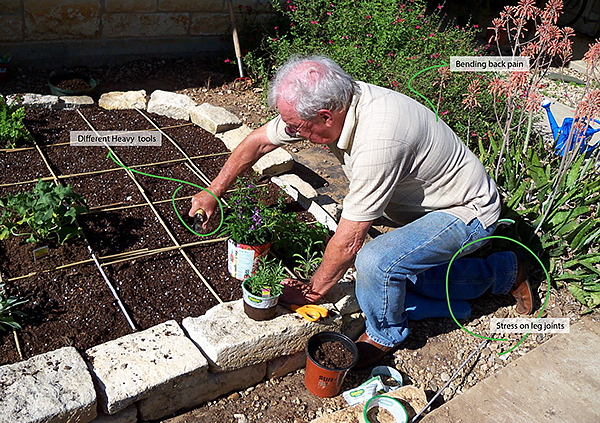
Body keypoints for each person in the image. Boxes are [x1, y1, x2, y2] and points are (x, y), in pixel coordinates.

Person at [189, 55, 533, 369]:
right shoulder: (337, 101)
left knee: (375, 262)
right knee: (390, 269)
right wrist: (213, 190)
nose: (293, 133)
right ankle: (505, 270)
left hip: (465, 212)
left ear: (325, 116)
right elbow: (259, 141)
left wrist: (310, 292)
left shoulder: (380, 137)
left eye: (297, 128)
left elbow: (350, 242)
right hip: (414, 202)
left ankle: (386, 333)